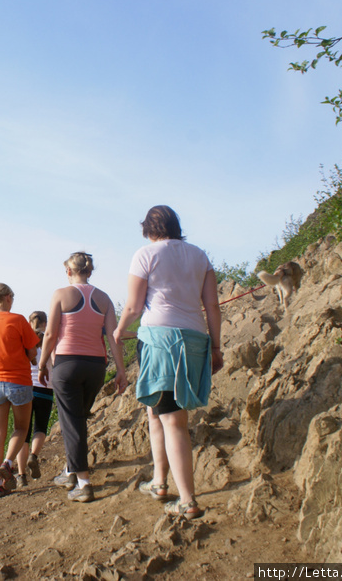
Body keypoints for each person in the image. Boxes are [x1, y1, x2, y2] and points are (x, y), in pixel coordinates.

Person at [113, 205, 223, 520]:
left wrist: (120, 330)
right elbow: (212, 306)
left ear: (149, 229)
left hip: (159, 341)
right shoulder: (199, 255)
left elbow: (134, 306)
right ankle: (160, 481)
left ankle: (187, 500)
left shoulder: (145, 255)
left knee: (172, 419)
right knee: (156, 412)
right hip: (194, 340)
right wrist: (216, 346)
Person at [38, 252, 129, 503]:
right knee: (77, 420)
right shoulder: (104, 298)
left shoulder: (60, 294)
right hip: (96, 367)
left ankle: (84, 483)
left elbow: (50, 334)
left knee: (72, 423)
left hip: (67, 365)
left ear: (68, 271)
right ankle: (70, 472)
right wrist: (121, 370)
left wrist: (43, 363)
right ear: (90, 271)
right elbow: (114, 336)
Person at [0, 283, 40, 498]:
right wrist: (31, 357)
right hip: (19, 381)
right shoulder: (19, 320)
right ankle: (8, 462)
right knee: (21, 429)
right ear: (7, 298)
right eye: (12, 296)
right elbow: (32, 351)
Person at [14, 311, 50, 487]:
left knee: (23, 433)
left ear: (29, 323)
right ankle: (34, 456)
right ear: (45, 323)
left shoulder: (23, 341)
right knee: (40, 427)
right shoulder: (50, 340)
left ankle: (21, 476)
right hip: (45, 388)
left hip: (25, 388)